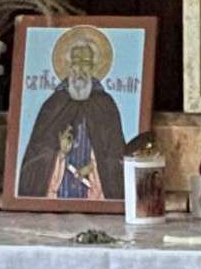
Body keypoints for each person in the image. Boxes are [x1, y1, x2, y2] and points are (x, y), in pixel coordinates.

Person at [18, 27, 127, 200]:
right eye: (76, 62)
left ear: (93, 67)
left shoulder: (106, 105)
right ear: (69, 66)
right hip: (59, 189)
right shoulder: (54, 104)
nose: (81, 68)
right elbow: (36, 155)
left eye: (86, 62)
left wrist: (94, 166)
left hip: (94, 190)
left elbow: (115, 154)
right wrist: (59, 153)